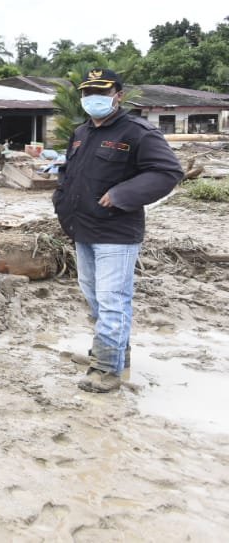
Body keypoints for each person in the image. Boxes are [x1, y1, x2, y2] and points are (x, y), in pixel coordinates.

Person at [52, 68, 184, 394]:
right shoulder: (81, 132)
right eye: (87, 93)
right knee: (96, 299)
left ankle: (106, 370)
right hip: (83, 228)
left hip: (116, 231)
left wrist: (122, 195)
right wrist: (60, 199)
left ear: (118, 95)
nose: (92, 98)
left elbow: (167, 172)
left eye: (101, 91)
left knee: (113, 300)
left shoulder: (137, 132)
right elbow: (69, 171)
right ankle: (114, 354)